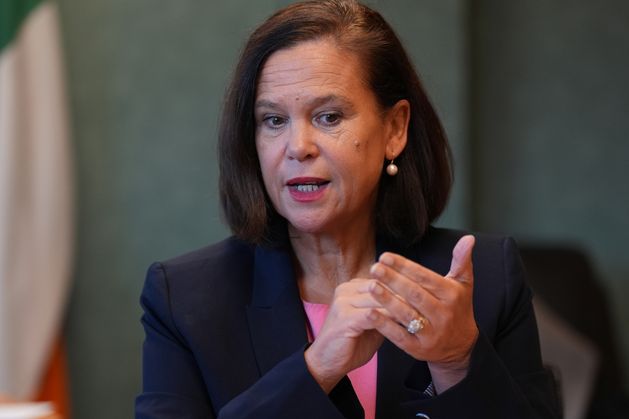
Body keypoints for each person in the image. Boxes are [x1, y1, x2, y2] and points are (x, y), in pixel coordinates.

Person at [135, 1, 560, 418]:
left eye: (328, 117)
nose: (297, 147)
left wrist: (455, 359)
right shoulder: (185, 298)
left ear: (394, 129)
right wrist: (317, 368)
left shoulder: (486, 277)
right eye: (274, 120)